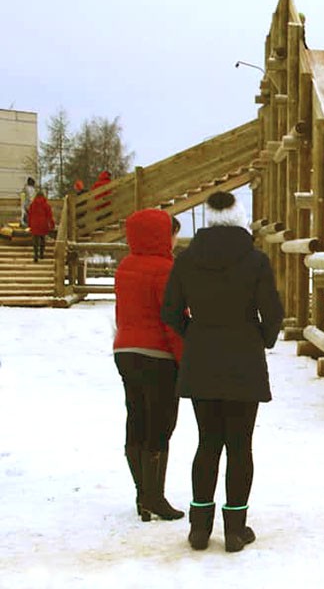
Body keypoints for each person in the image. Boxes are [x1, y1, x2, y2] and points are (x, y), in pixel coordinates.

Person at [161, 191, 284, 553]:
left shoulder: (186, 260)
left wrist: (195, 335)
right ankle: (235, 528)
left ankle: (200, 528)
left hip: (202, 361)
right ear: (239, 217)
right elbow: (273, 313)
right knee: (240, 446)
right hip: (244, 360)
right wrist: (260, 338)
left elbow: (170, 312)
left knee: (207, 443)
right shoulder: (256, 260)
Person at [113, 209, 184, 522]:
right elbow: (172, 322)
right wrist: (185, 360)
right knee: (161, 423)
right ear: (161, 235)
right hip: (158, 356)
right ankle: (155, 497)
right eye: (173, 233)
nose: (175, 240)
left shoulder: (125, 266)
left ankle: (143, 494)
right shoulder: (166, 270)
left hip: (126, 351)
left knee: (137, 418)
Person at [26, 189, 55, 262]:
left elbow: (29, 215)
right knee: (42, 239)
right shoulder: (46, 205)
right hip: (43, 224)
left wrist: (29, 225)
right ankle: (41, 254)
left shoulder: (32, 205)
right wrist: (52, 224)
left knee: (35, 241)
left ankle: (35, 255)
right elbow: (49, 216)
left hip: (34, 224)